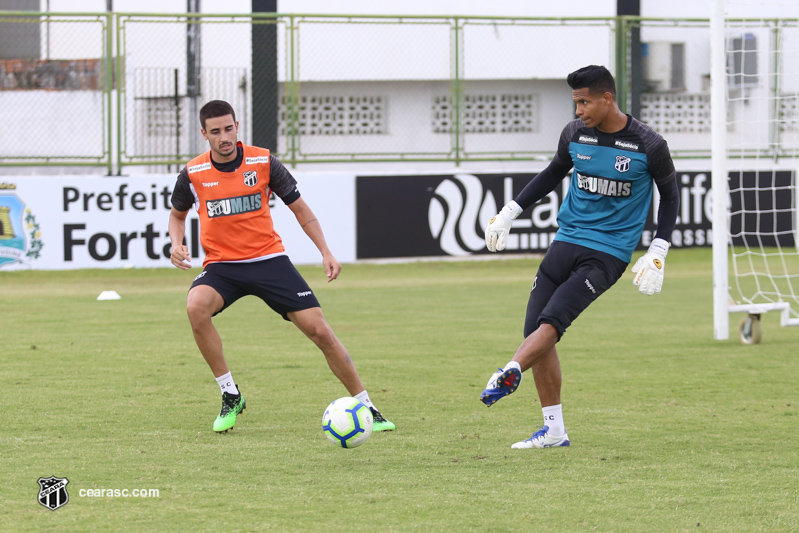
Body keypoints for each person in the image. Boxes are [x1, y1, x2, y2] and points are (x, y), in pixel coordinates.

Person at [480, 65, 679, 448]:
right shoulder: (574, 134)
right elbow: (554, 172)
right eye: (576, 103)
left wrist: (658, 249)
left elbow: (670, 196)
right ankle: (554, 431)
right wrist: (510, 212)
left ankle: (509, 371)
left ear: (607, 98)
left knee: (553, 322)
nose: (578, 111)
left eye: (584, 102)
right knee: (535, 331)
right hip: (566, 240)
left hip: (608, 253)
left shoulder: (648, 144)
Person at [168, 100, 395, 433]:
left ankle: (367, 407)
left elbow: (301, 210)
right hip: (223, 267)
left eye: (228, 128)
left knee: (321, 331)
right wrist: (176, 243)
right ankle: (230, 394)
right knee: (195, 306)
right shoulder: (193, 173)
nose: (224, 137)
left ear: (237, 125)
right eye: (215, 132)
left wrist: (326, 251)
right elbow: (177, 215)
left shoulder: (263, 161)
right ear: (204, 134)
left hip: (269, 261)